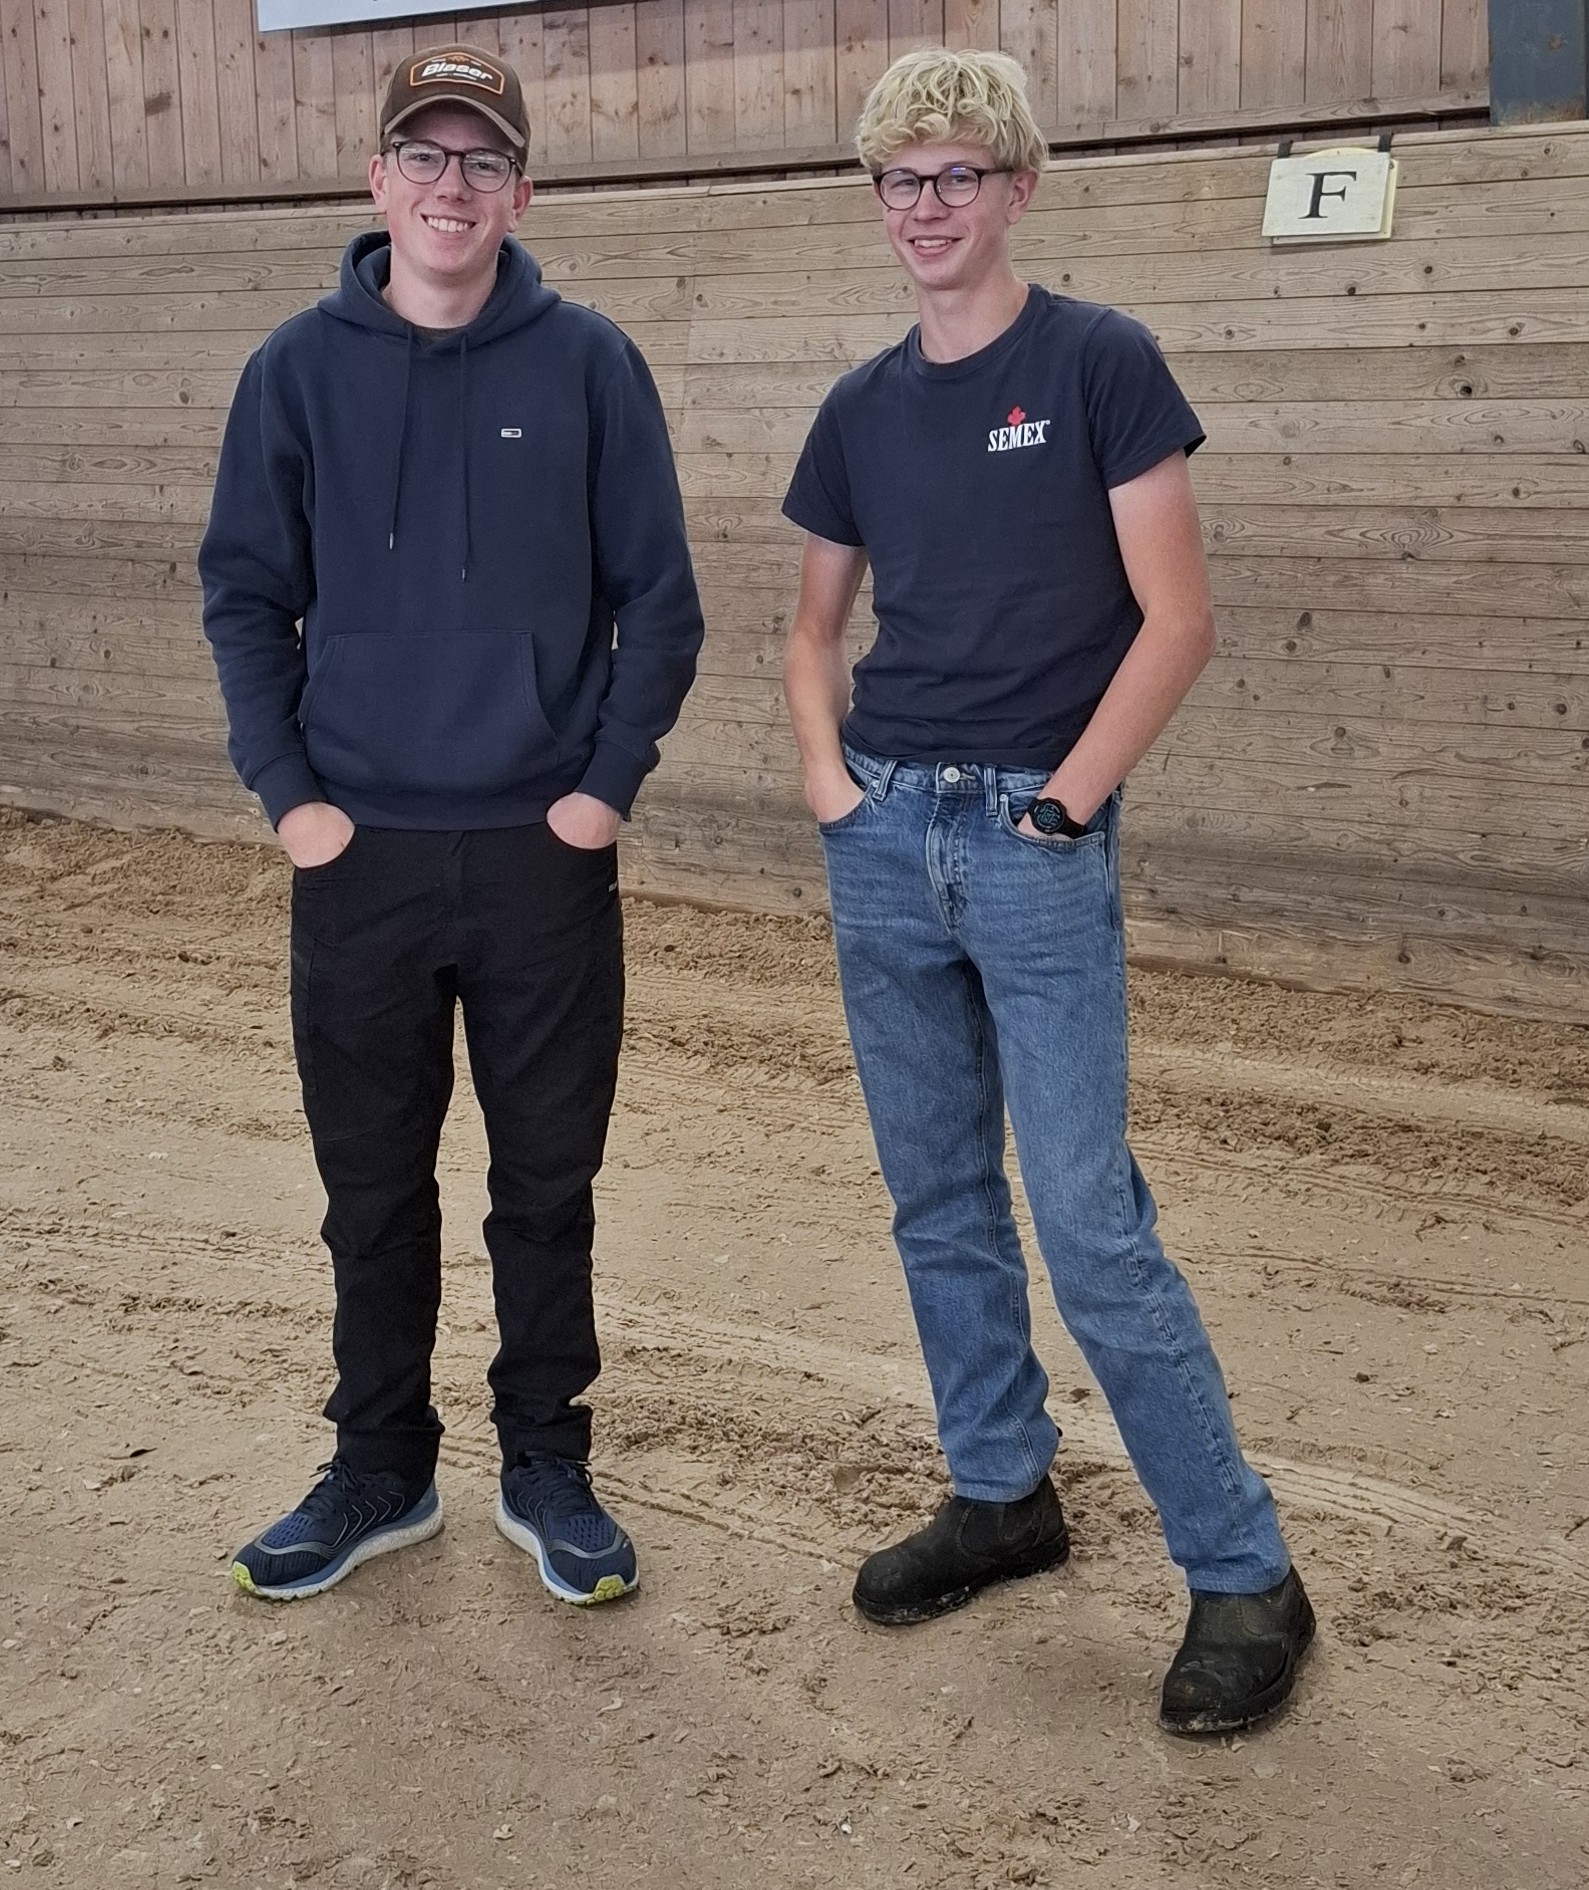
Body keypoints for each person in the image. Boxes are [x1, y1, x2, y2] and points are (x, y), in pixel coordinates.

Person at [781, 47, 1313, 1734]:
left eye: (956, 173)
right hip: (884, 834)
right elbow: (811, 626)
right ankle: (1001, 1489)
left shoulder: (1097, 363)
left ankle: (1243, 1569)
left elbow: (1178, 618)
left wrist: (1067, 805)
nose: (926, 205)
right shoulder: (859, 408)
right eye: (899, 178)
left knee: (1086, 1219)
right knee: (937, 1197)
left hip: (1031, 835)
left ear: (1014, 186)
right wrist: (828, 782)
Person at [200, 43, 703, 1606]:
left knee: (546, 1184)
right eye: (423, 154)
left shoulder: (591, 365)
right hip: (359, 856)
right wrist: (291, 799)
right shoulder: (296, 371)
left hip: (543, 856)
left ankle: (546, 1459)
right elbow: (244, 595)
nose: (450, 184)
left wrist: (599, 793)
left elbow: (660, 603)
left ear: (520, 192)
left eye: (482, 159)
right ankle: (381, 1464)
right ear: (377, 180)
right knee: (372, 1187)